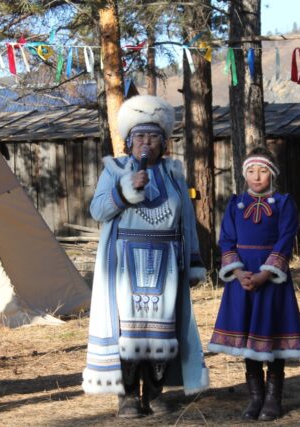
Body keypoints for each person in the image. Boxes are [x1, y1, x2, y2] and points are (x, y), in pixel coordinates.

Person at [81, 95, 209, 418]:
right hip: (124, 264)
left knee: (162, 331)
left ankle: (153, 394)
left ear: (163, 143)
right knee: (129, 331)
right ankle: (126, 397)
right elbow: (97, 210)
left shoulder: (173, 174)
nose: (146, 143)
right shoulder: (114, 170)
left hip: (166, 265)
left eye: (153, 136)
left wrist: (194, 262)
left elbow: (187, 222)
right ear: (129, 141)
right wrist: (124, 191)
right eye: (140, 136)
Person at [208, 147, 300, 421]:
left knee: (272, 333)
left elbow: (285, 240)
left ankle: (273, 399)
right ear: (244, 174)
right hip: (242, 279)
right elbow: (226, 240)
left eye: (263, 171)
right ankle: (255, 397)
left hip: (271, 280)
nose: (256, 177)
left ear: (272, 174)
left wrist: (265, 274)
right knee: (247, 335)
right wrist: (238, 272)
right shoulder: (235, 204)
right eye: (251, 171)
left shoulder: (283, 203)